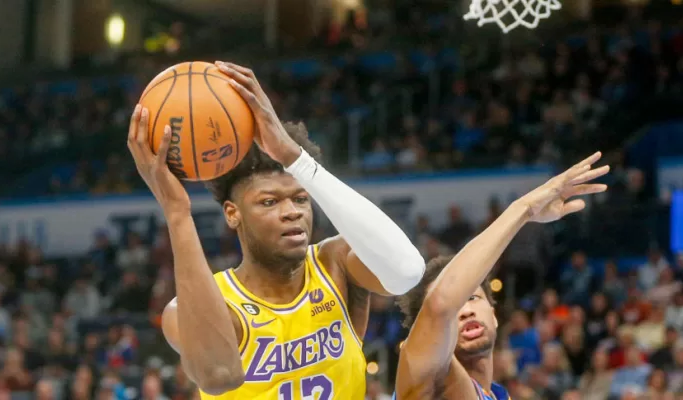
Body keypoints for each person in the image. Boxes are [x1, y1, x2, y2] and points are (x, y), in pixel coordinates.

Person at [126, 61, 426, 399]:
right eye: (269, 202)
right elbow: (217, 375)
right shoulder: (192, 309)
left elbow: (407, 272)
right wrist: (177, 213)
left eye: (300, 199)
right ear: (232, 213)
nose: (292, 212)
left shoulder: (335, 264)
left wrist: (295, 158)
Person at [395, 152, 609, 400]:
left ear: (494, 316)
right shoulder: (422, 373)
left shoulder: (499, 395)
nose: (464, 310)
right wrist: (524, 209)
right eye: (457, 306)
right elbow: (440, 304)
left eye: (473, 298)